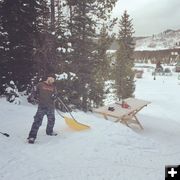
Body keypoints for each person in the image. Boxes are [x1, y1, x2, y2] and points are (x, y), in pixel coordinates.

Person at [27, 73, 58, 144]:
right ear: (48, 77)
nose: (52, 80)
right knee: (37, 121)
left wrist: (55, 96)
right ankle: (32, 136)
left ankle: (49, 132)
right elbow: (34, 92)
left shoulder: (53, 87)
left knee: (51, 120)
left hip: (51, 107)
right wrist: (33, 96)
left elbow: (56, 95)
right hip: (42, 106)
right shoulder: (40, 85)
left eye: (53, 80)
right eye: (51, 78)